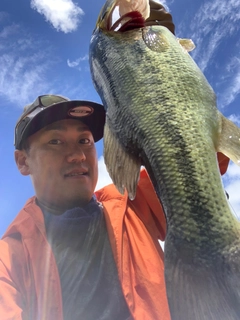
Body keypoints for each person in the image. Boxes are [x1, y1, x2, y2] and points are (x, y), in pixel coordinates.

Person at [0, 4, 230, 320]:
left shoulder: (132, 203)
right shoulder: (8, 258)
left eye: (84, 140)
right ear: (22, 161)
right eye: (55, 142)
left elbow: (202, 159)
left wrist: (163, 72)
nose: (78, 154)